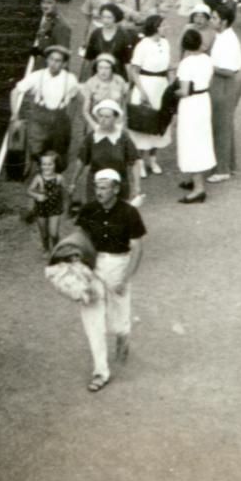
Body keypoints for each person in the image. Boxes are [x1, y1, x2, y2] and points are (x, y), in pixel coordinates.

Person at [72, 168, 145, 392]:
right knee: (93, 319)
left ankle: (123, 333)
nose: (99, 192)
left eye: (104, 188)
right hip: (93, 265)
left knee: (117, 316)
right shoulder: (89, 209)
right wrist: (77, 270)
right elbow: (80, 238)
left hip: (118, 265)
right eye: (96, 187)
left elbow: (138, 247)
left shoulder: (129, 212)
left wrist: (126, 277)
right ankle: (100, 371)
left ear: (115, 189)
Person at [10, 44, 79, 177]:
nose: (53, 63)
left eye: (58, 60)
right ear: (47, 60)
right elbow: (15, 91)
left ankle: (54, 177)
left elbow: (75, 97)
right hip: (39, 117)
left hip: (60, 117)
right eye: (51, 59)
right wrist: (15, 115)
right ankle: (36, 169)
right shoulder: (37, 76)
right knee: (36, 148)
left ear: (64, 63)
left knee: (60, 151)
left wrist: (70, 116)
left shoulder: (70, 79)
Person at [127, 13, 173, 176]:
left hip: (162, 86)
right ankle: (139, 162)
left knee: (159, 123)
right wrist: (142, 91)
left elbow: (167, 68)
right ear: (155, 27)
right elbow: (134, 70)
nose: (166, 27)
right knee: (143, 123)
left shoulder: (166, 43)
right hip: (146, 85)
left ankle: (152, 160)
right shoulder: (143, 45)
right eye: (163, 25)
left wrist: (171, 88)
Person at [74, 96, 140, 205]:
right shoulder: (91, 137)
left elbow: (135, 162)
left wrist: (137, 185)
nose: (103, 120)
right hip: (96, 186)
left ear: (115, 118)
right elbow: (81, 160)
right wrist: (73, 182)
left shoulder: (123, 137)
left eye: (107, 117)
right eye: (100, 116)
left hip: (118, 185)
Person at [175, 26, 215, 203]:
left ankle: (199, 188)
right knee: (201, 138)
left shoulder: (186, 63)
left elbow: (184, 91)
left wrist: (171, 93)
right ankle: (194, 179)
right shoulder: (207, 59)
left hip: (190, 104)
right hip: (203, 100)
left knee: (190, 142)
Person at [208, 2, 241, 182]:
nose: (211, 20)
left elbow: (228, 70)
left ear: (223, 22)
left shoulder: (228, 39)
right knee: (225, 124)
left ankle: (222, 169)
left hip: (226, 83)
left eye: (214, 17)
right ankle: (229, 164)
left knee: (221, 124)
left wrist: (208, 65)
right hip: (223, 83)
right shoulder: (222, 35)